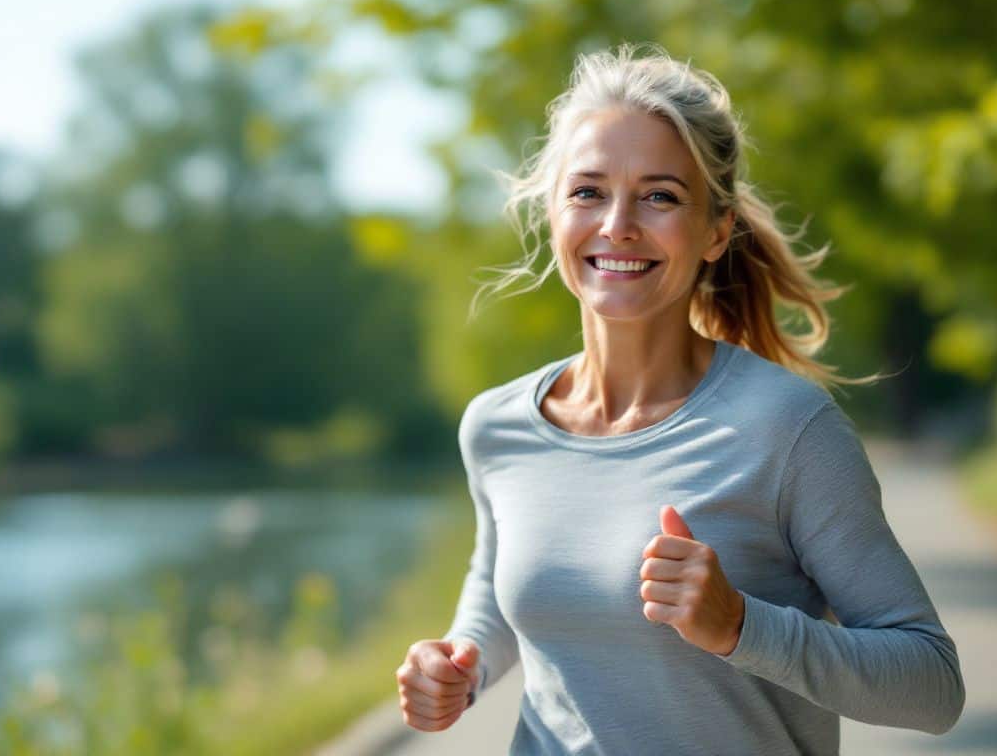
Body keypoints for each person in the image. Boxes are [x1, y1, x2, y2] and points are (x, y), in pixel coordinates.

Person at [393, 43, 965, 754]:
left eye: (659, 195)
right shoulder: (497, 426)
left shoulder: (787, 429)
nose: (617, 224)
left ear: (717, 230)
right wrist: (455, 666)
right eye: (588, 191)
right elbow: (505, 589)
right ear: (552, 211)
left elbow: (934, 686)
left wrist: (741, 627)